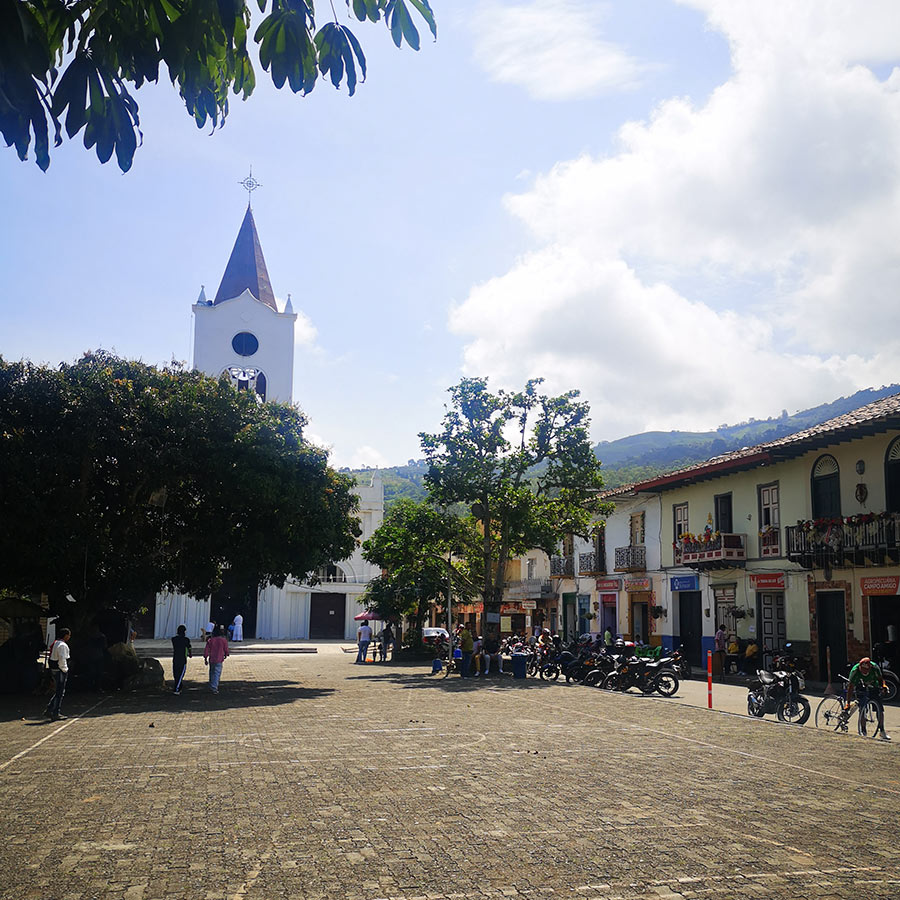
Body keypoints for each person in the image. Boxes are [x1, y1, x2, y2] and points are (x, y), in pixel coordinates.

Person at [846, 656, 890, 741]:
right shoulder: (855, 671)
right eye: (862, 669)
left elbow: (880, 679)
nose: (864, 672)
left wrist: (883, 686)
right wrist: (847, 703)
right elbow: (850, 688)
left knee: (879, 709)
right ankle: (863, 730)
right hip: (860, 685)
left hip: (873, 685)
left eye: (866, 670)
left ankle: (882, 730)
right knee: (862, 708)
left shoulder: (875, 667)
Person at [44, 628, 72, 721]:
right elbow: (62, 659)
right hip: (60, 670)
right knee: (60, 692)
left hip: (54, 669)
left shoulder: (56, 643)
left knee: (58, 691)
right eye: (68, 635)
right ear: (65, 635)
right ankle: (55, 712)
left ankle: (49, 709)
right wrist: (65, 670)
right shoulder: (62, 645)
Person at [203, 625, 229, 693]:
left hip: (212, 658)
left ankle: (211, 684)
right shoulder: (223, 640)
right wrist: (226, 654)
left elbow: (206, 649)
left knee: (211, 672)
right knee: (217, 673)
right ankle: (214, 687)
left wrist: (205, 658)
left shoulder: (211, 640)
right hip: (219, 658)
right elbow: (226, 648)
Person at [171, 625, 192, 694]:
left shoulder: (174, 639)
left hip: (175, 658)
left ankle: (179, 686)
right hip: (182, 659)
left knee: (176, 673)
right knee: (180, 674)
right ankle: (176, 688)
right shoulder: (186, 640)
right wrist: (190, 654)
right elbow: (189, 647)